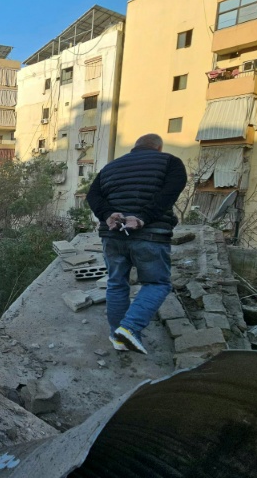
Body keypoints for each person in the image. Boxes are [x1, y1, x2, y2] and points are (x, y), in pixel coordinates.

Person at [86, 134, 187, 354]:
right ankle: (129, 328)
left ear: (135, 147)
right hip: (150, 236)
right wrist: (143, 217)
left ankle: (118, 337)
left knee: (116, 283)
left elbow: (92, 195)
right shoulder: (170, 162)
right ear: (158, 148)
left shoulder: (110, 167)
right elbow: (169, 194)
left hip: (112, 236)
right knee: (157, 284)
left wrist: (108, 215)